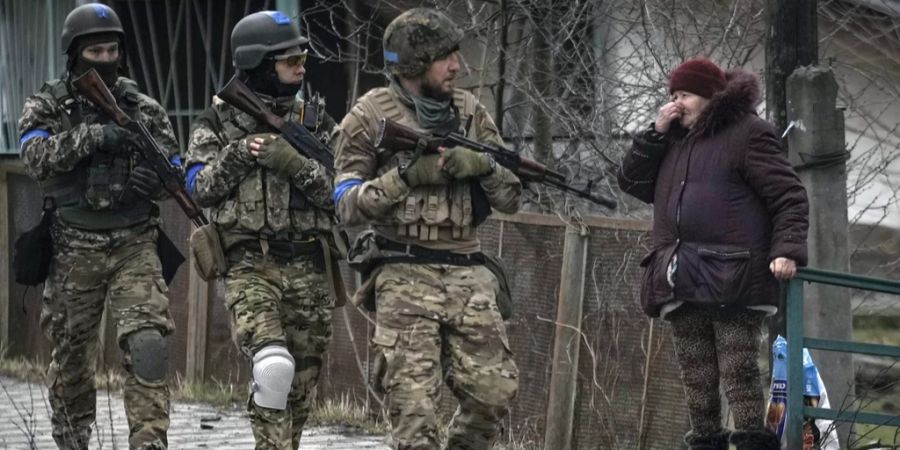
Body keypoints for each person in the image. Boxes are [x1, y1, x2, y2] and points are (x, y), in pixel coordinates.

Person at [333, 8, 521, 450]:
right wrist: (407, 177)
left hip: (468, 270)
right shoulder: (369, 117)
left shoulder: (470, 112)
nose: (457, 65)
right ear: (415, 63)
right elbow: (345, 206)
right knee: (415, 416)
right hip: (403, 270)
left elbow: (511, 198)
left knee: (494, 395)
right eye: (445, 56)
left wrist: (485, 165)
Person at [618, 57, 809, 450]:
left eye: (684, 94)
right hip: (681, 277)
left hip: (734, 278)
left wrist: (787, 250)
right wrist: (654, 133)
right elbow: (633, 182)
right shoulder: (671, 141)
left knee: (739, 373)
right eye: (672, 95)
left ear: (709, 96)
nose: (676, 103)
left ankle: (754, 443)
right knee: (696, 377)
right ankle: (706, 444)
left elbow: (788, 195)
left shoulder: (749, 133)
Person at [17, 3, 178, 449]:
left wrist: (155, 180)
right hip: (73, 246)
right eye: (95, 52)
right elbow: (35, 158)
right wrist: (93, 137)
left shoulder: (143, 108)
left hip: (134, 244)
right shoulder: (48, 104)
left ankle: (149, 442)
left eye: (111, 51)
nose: (104, 60)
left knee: (148, 345)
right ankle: (71, 440)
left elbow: (176, 175)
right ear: (75, 57)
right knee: (71, 360)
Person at [184, 10, 340, 450]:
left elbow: (343, 194)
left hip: (310, 264)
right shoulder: (217, 122)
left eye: (302, 58)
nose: (301, 67)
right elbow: (198, 188)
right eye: (291, 60)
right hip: (250, 264)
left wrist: (292, 162)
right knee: (274, 369)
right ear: (260, 64)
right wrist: (241, 154)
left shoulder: (315, 122)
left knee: (301, 390)